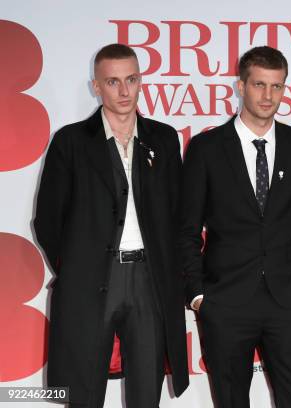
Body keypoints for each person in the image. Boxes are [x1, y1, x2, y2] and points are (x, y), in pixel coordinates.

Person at [34, 44, 189, 407]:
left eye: (131, 79)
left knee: (146, 394)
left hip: (150, 283)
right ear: (96, 87)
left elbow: (179, 216)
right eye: (113, 81)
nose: (124, 91)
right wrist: (77, 269)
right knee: (84, 392)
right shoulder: (71, 142)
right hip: (91, 282)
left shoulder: (164, 140)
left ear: (141, 82)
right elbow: (48, 220)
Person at [180, 46, 291, 407]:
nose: (268, 96)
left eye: (277, 86)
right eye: (259, 85)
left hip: (290, 300)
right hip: (226, 300)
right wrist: (198, 294)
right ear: (240, 86)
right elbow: (184, 229)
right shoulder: (206, 148)